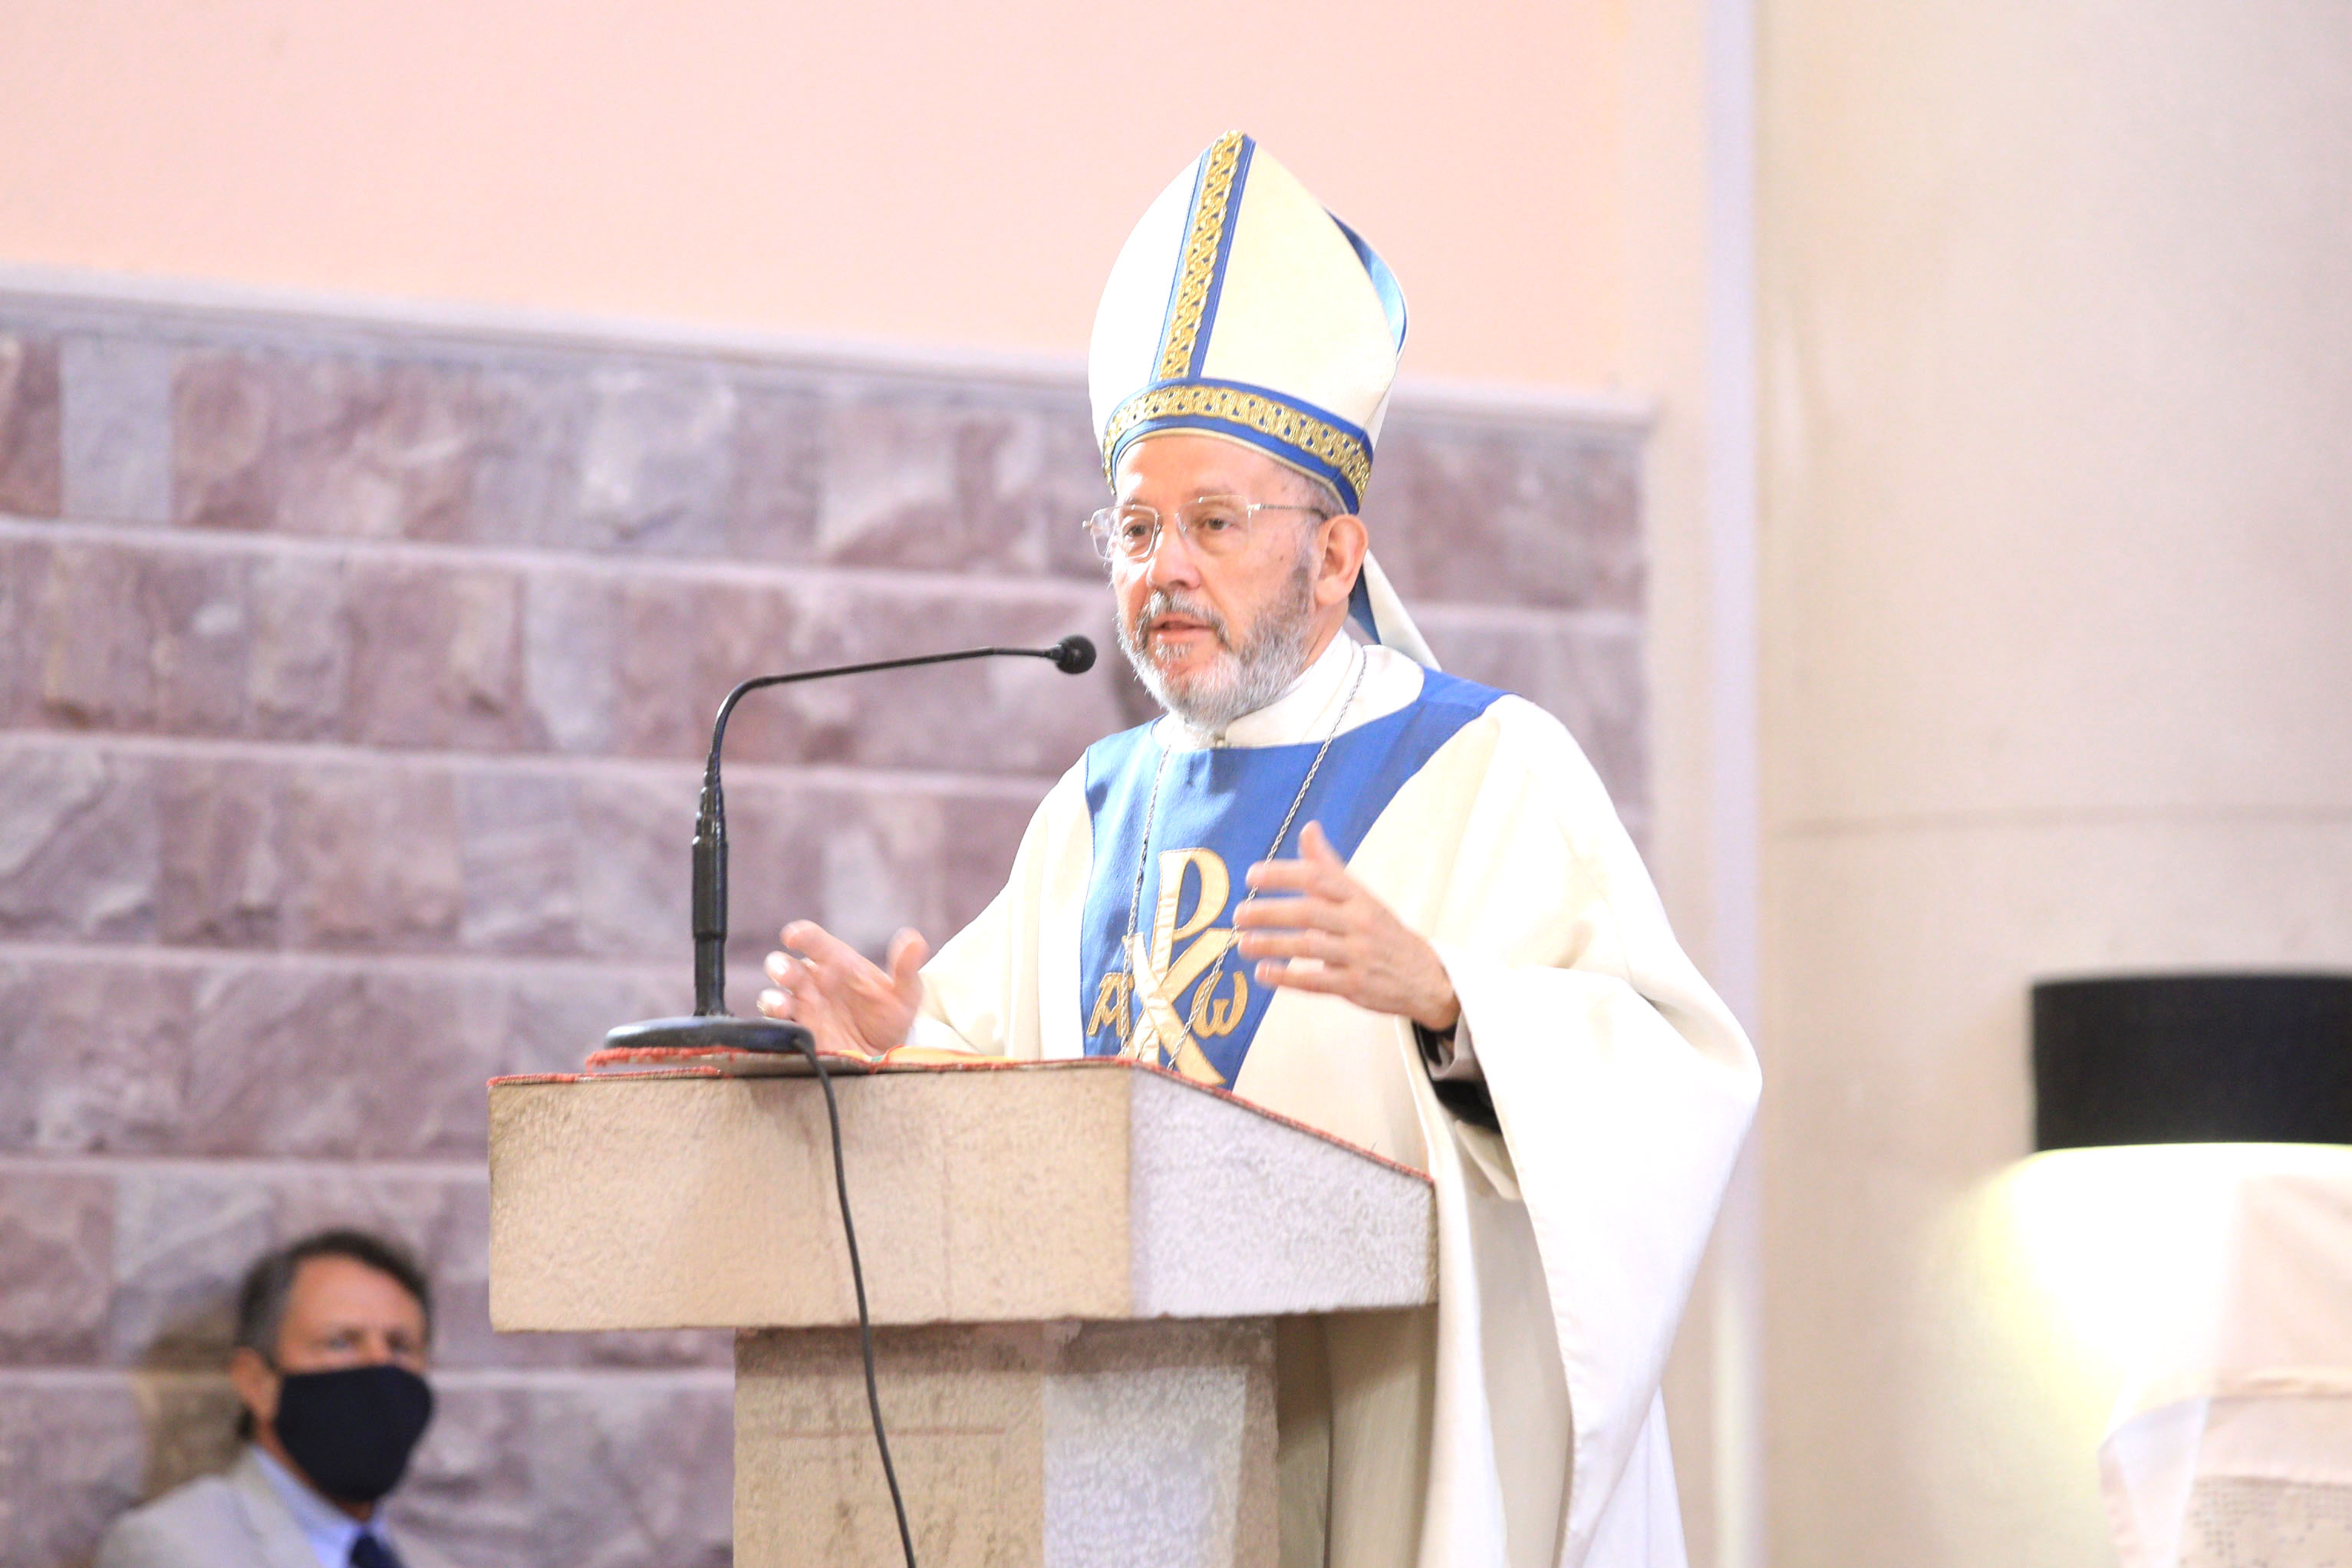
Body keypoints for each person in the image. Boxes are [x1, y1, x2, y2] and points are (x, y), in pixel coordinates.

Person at [758, 132, 1761, 1568]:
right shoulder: (1098, 805)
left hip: (1386, 1420)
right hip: (1131, 1450)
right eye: (1136, 526)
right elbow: (1033, 1113)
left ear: (1338, 554)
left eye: (1214, 524)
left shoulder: (1490, 764)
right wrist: (913, 1054)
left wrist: (1451, 1000)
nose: (1159, 570)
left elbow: (1675, 1075)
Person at [97, 1229, 456, 1568]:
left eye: (401, 1346)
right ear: (257, 1382)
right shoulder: (171, 1550)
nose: (380, 1366)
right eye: (340, 1343)